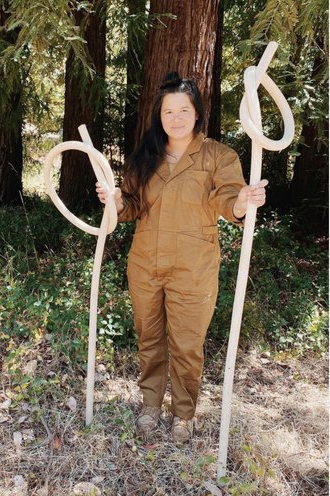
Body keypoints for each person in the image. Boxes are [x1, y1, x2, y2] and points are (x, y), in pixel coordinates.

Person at [96, 72, 267, 443]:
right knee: (150, 338)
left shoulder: (219, 155)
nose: (175, 118)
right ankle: (150, 405)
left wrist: (242, 201)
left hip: (194, 267)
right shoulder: (145, 156)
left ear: (197, 113)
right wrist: (115, 200)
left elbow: (228, 200)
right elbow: (132, 206)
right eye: (168, 111)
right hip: (145, 263)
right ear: (160, 115)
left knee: (187, 344)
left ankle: (184, 414)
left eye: (183, 110)